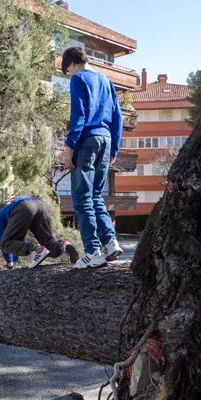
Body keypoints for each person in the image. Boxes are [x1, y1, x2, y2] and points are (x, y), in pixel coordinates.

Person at [61, 46, 124, 269]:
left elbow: (78, 115)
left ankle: (92, 251)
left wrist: (69, 147)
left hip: (87, 140)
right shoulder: (106, 81)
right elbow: (118, 117)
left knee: (81, 197)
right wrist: (114, 148)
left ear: (71, 64)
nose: (69, 75)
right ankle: (109, 241)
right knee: (96, 194)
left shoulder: (78, 79)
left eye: (67, 71)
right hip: (105, 141)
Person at [0, 195, 78, 269]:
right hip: (41, 204)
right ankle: (63, 245)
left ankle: (36, 250)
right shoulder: (11, 207)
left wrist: (10, 263)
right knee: (48, 241)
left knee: (5, 243)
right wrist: (15, 260)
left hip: (24, 206)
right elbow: (16, 242)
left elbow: (3, 241)